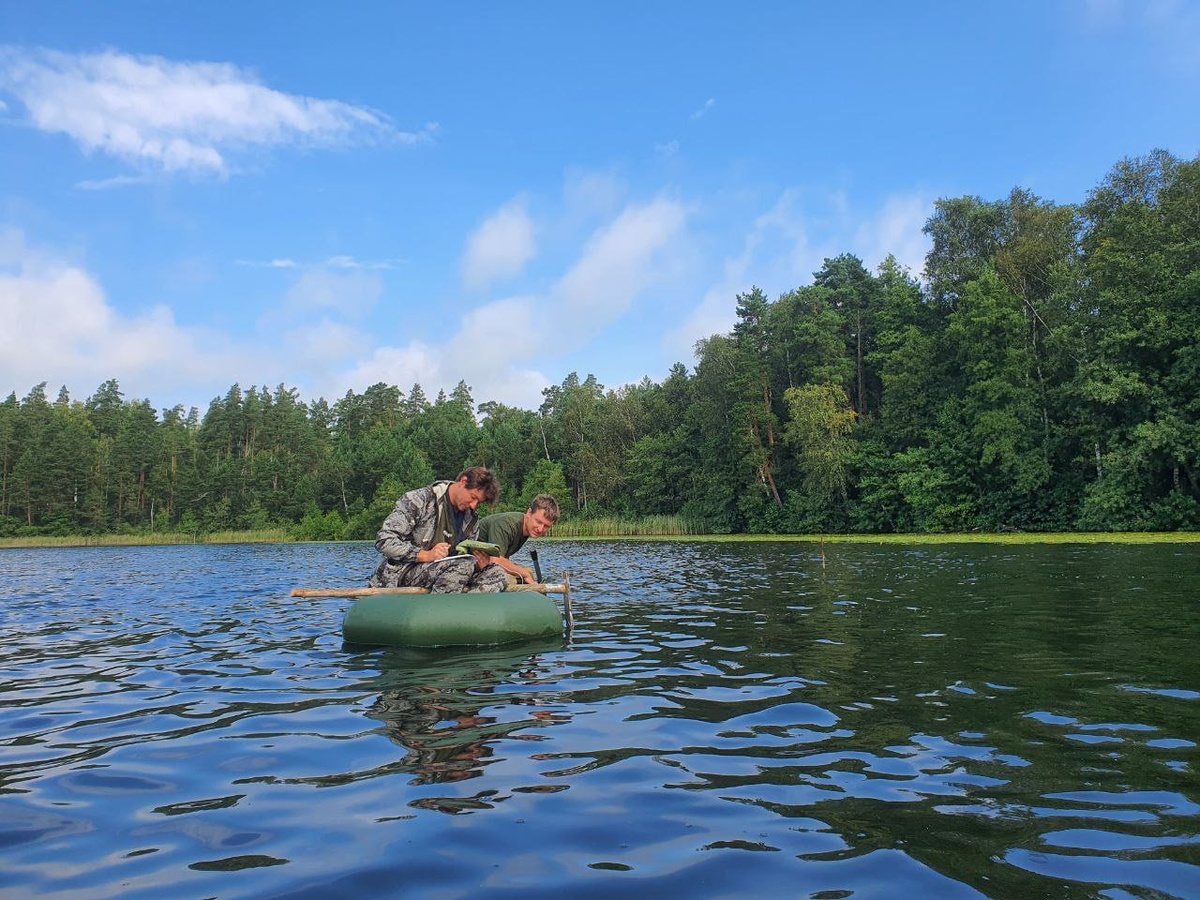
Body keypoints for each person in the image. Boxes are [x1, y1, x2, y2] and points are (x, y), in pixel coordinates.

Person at [368, 466, 508, 593]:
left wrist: (478, 564)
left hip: (448, 572)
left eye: (479, 502)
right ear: (463, 482)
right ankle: (438, 614)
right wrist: (425, 555)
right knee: (462, 566)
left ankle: (468, 613)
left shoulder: (471, 520)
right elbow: (384, 540)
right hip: (402, 573)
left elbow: (463, 560)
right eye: (472, 497)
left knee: (497, 573)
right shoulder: (418, 500)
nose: (473, 505)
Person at [477, 494, 560, 586]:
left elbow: (503, 558)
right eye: (538, 522)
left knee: (528, 572)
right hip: (465, 563)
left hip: (484, 564)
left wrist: (525, 573)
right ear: (529, 513)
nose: (540, 529)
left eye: (546, 526)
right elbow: (495, 561)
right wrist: (524, 573)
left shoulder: (526, 529)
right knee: (523, 574)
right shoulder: (506, 525)